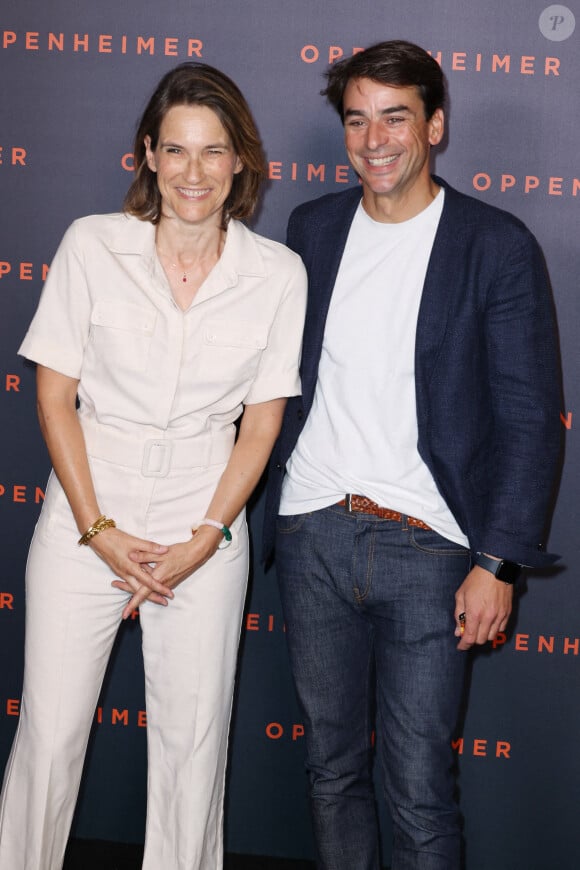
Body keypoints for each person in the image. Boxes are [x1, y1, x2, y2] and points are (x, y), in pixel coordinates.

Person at [263, 40, 561, 870]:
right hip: (312, 533)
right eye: (357, 120)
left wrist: (496, 562)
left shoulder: (493, 244)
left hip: (428, 547)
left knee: (420, 788)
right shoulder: (311, 228)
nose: (375, 139)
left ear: (435, 125)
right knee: (330, 772)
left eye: (396, 117)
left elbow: (531, 418)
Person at [0, 62, 306, 870]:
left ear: (241, 160)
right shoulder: (92, 244)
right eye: (175, 150)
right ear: (147, 154)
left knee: (192, 749)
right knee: (51, 736)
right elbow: (53, 398)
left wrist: (206, 537)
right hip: (86, 508)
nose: (194, 172)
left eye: (213, 151)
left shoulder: (277, 274)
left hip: (206, 514)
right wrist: (98, 530)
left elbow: (261, 423)